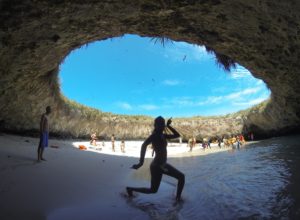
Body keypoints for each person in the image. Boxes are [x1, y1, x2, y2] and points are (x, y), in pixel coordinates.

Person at [126, 116, 185, 202]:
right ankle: (130, 189)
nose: (162, 125)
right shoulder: (154, 136)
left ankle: (178, 198)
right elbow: (144, 145)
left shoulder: (163, 135)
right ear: (155, 125)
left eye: (163, 123)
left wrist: (168, 126)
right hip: (157, 166)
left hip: (162, 165)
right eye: (160, 123)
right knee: (154, 190)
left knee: (180, 177)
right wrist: (141, 162)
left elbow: (177, 135)